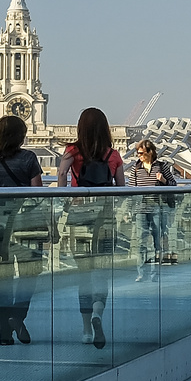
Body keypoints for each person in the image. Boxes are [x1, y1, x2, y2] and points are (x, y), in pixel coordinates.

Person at [0, 115, 44, 346]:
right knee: (29, 273)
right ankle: (18, 314)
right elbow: (38, 195)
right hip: (24, 225)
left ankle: (4, 334)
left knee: (1, 281)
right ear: (20, 136)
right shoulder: (29, 159)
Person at [59, 107, 124, 348]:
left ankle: (86, 329)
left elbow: (62, 178)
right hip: (105, 219)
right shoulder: (114, 155)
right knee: (102, 271)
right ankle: (98, 311)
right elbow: (121, 189)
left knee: (83, 274)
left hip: (79, 219)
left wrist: (68, 194)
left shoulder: (72, 152)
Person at [125, 139, 177, 281]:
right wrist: (129, 210)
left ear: (150, 152)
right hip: (141, 208)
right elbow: (131, 190)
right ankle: (141, 273)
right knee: (141, 241)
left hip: (157, 208)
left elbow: (174, 184)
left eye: (141, 153)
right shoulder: (136, 169)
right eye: (138, 153)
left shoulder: (161, 167)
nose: (139, 156)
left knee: (156, 241)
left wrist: (164, 181)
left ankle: (155, 273)